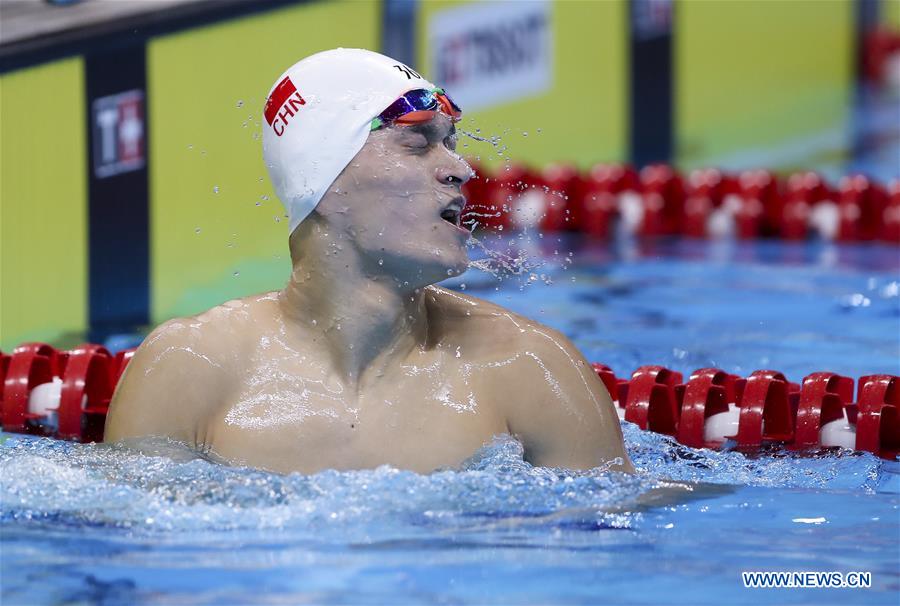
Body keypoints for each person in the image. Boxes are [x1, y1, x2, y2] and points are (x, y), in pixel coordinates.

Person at [104, 49, 633, 475]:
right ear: (325, 180)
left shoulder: (529, 370)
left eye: (449, 144)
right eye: (417, 144)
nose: (459, 169)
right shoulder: (190, 370)